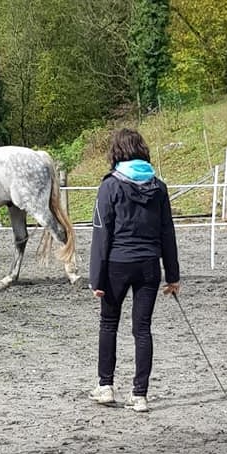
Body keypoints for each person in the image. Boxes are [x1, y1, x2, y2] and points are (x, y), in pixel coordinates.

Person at [88, 127, 180, 413]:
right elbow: (168, 232)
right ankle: (139, 394)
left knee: (108, 324)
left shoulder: (110, 186)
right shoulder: (159, 187)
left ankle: (105, 386)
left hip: (117, 264)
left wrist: (96, 278)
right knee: (143, 329)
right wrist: (173, 275)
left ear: (117, 152)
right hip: (149, 266)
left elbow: (101, 234)